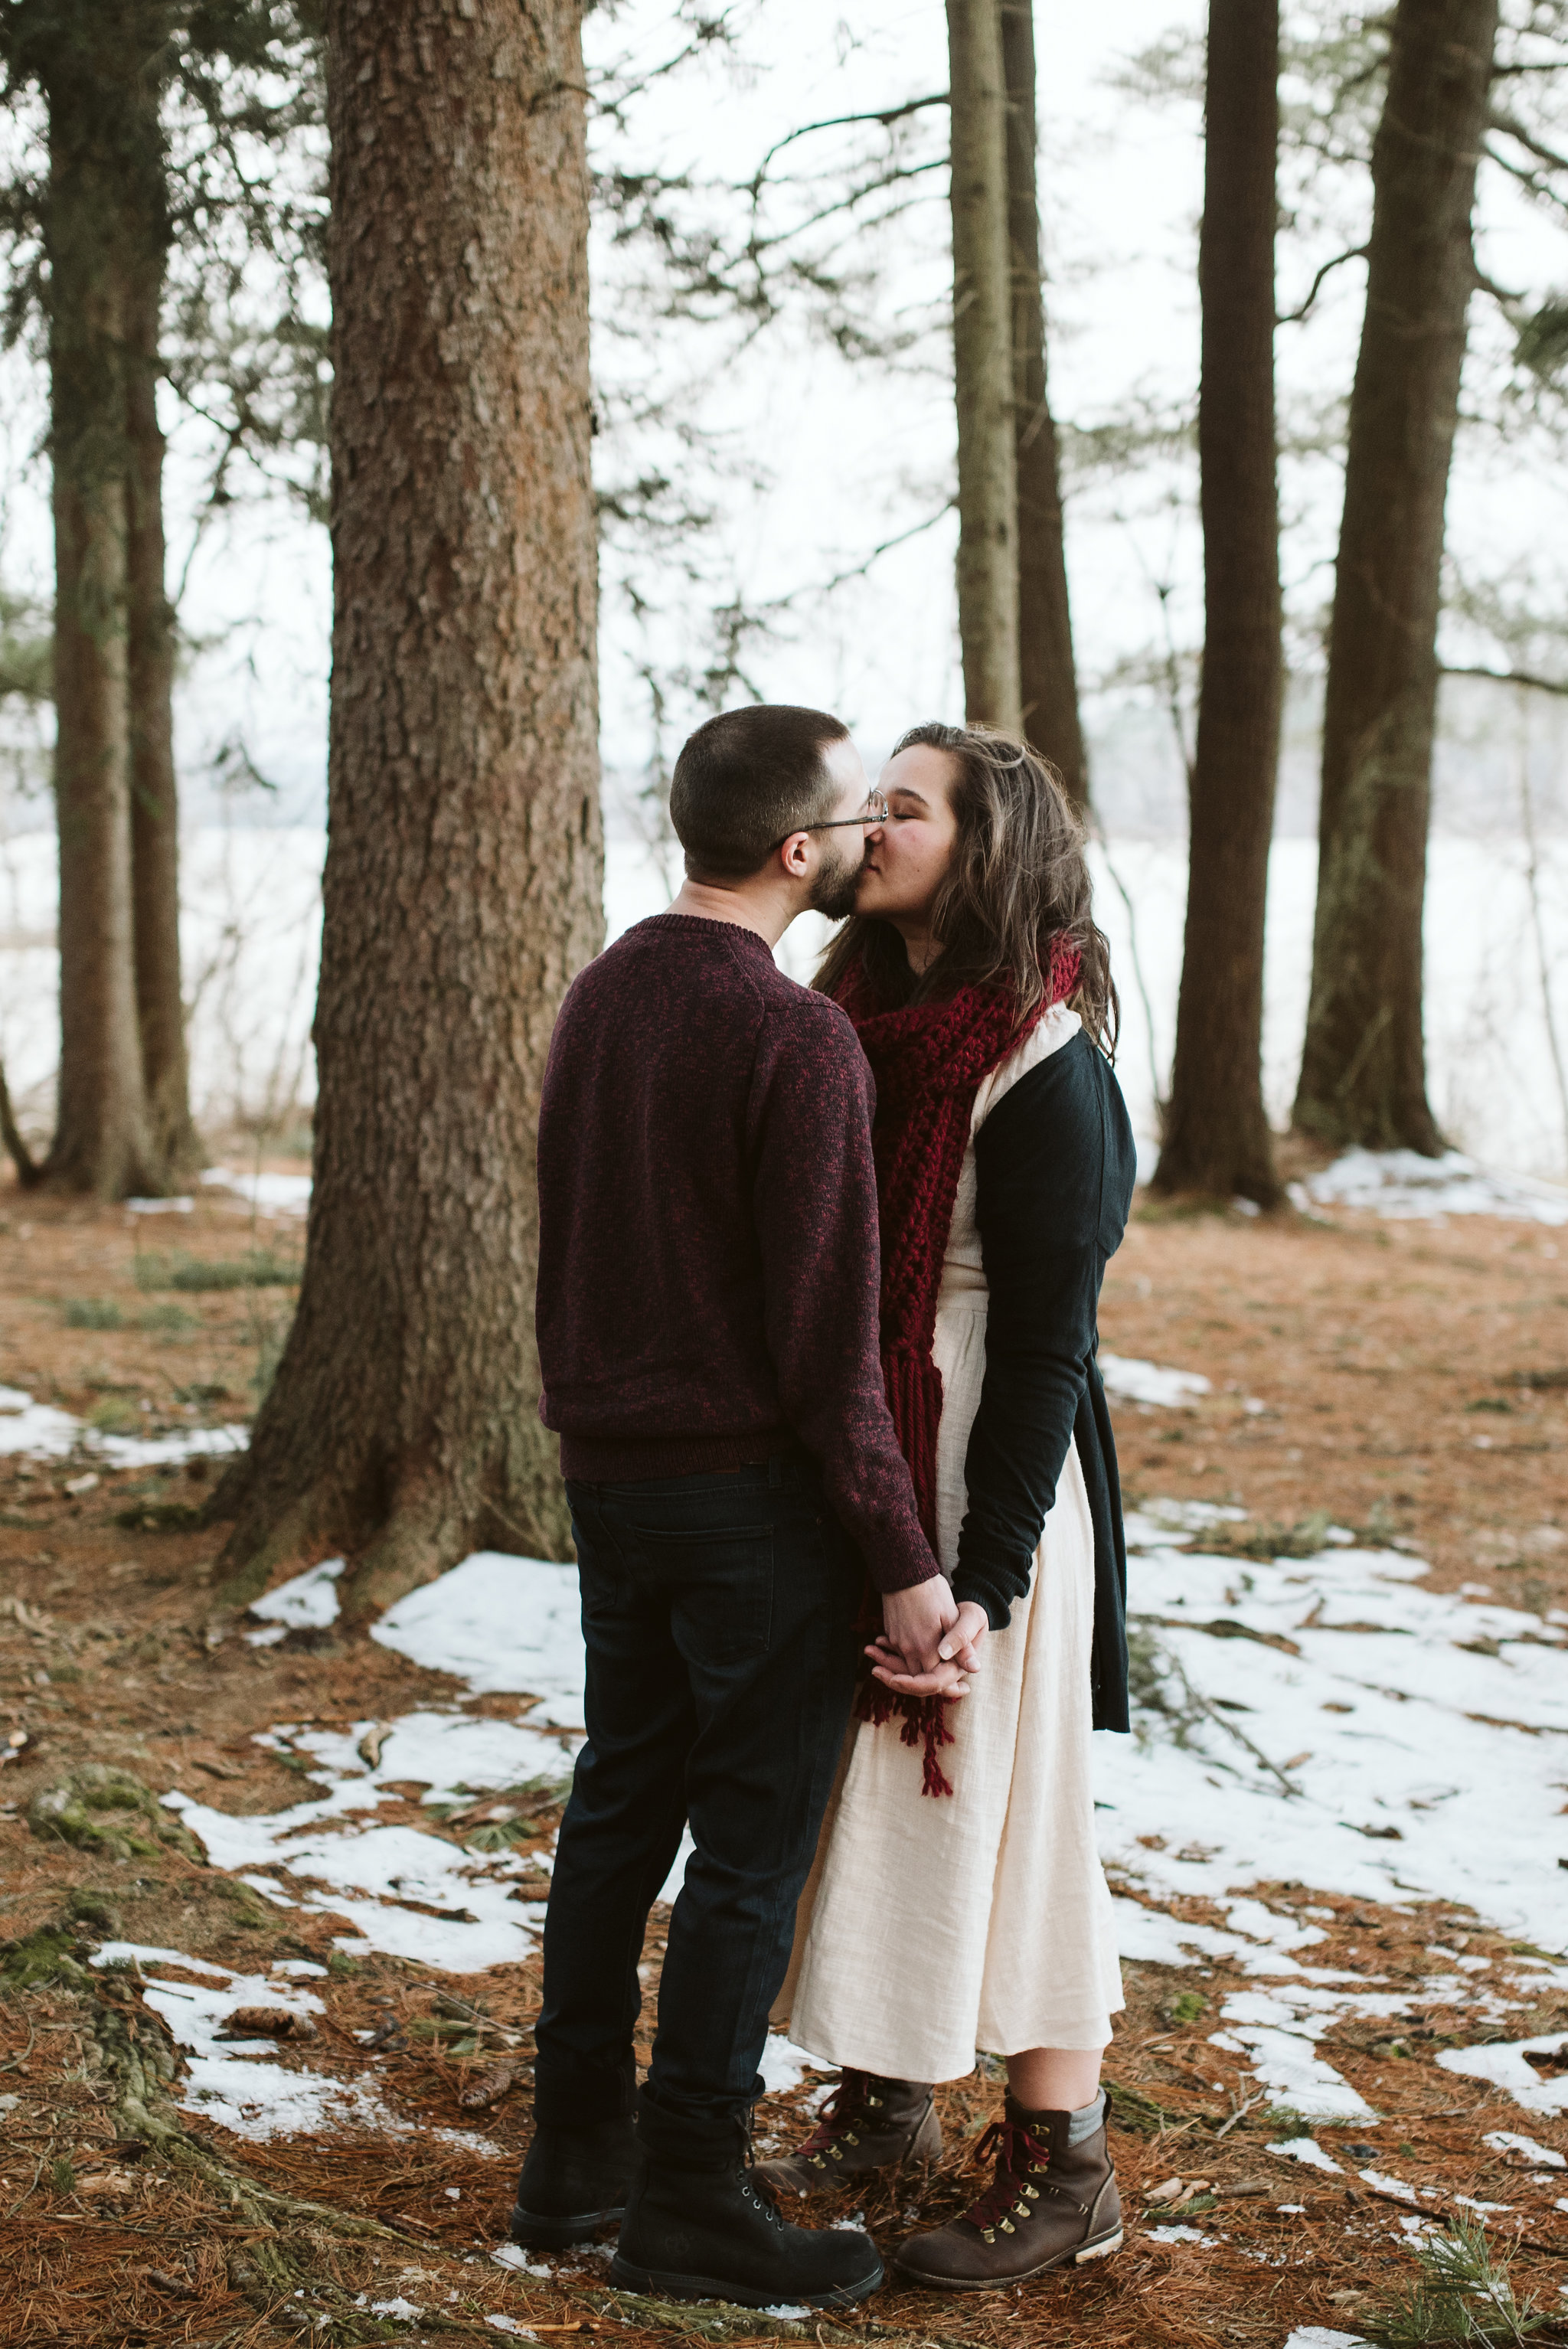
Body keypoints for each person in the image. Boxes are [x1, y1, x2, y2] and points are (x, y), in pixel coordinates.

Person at [518, 704, 960, 2311]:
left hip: (606, 1480)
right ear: (798, 850)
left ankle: (574, 2157)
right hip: (744, 1503)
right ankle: (692, 2192)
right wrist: (905, 1566)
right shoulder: (794, 1039)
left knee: (619, 1800)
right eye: (852, 818)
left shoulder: (603, 994)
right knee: (748, 1846)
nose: (863, 840)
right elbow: (828, 1353)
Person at [763, 722, 1137, 2291]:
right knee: (889, 1794)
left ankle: (1068, 2162)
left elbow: (1051, 1343)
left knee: (1003, 1793)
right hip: (874, 1439)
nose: (872, 824)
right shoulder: (856, 1011)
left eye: (904, 808)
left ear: (984, 849)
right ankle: (889, 2099)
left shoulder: (1048, 1070)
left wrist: (986, 1580)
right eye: (873, 802)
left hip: (995, 1465)